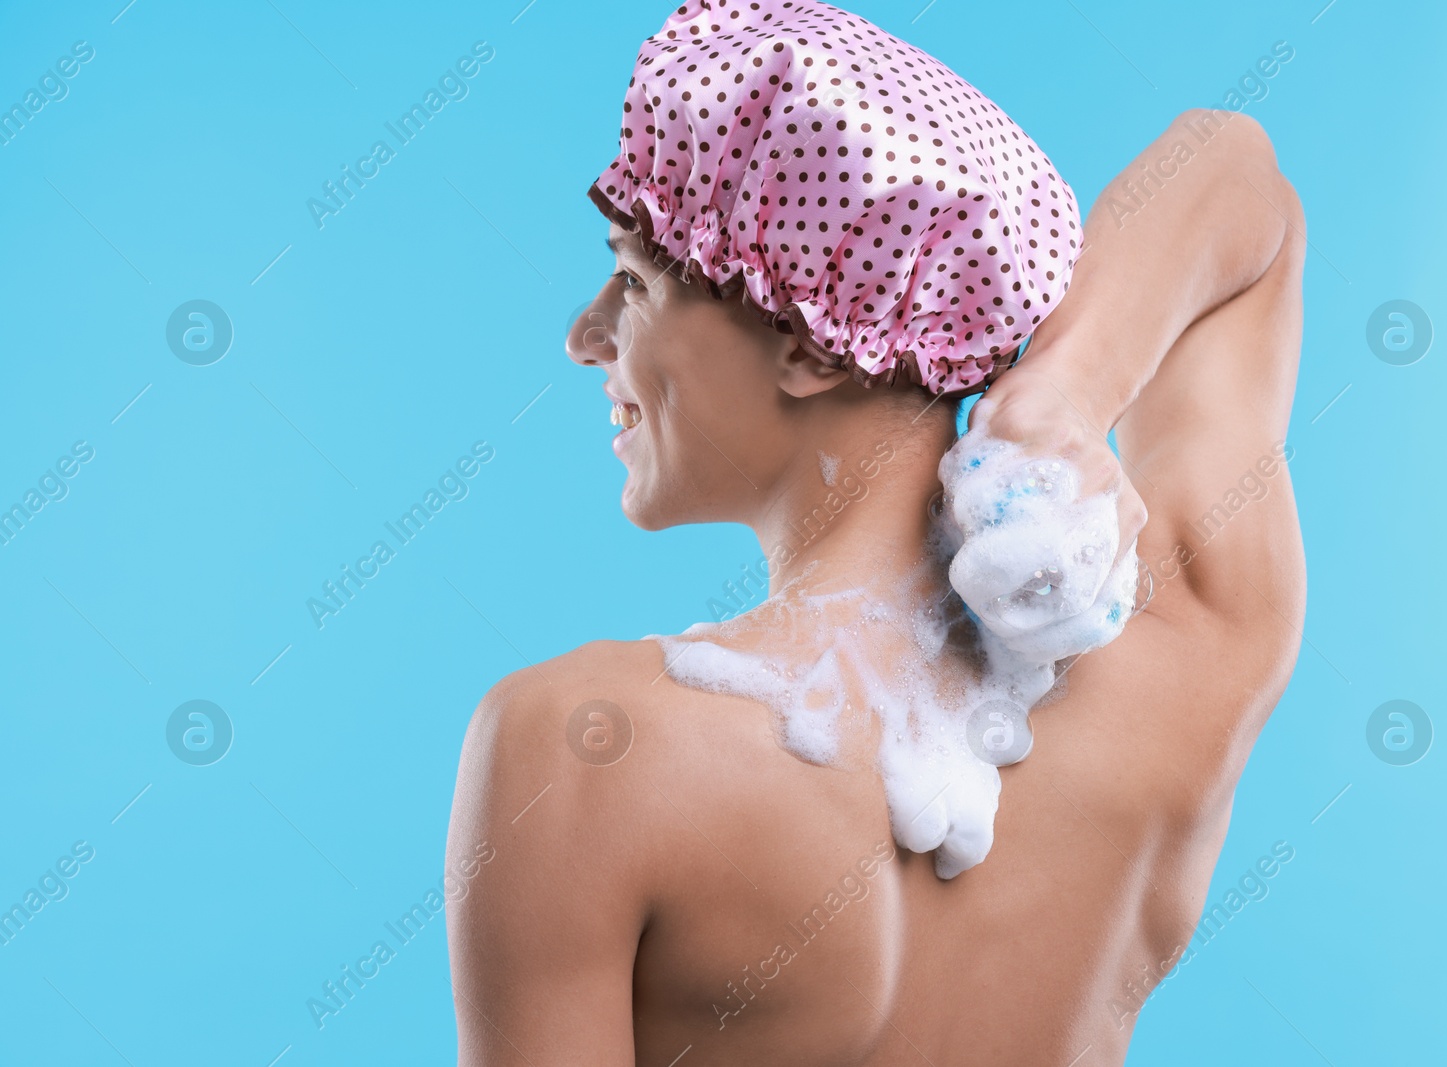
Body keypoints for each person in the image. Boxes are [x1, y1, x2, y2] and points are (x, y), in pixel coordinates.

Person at [446, 3, 1305, 1063]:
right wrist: (1064, 399)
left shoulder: (578, 749)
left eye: (635, 280)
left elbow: (1231, 163)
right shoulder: (1189, 658)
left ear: (809, 347)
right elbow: (1235, 171)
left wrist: (1050, 408)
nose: (585, 337)